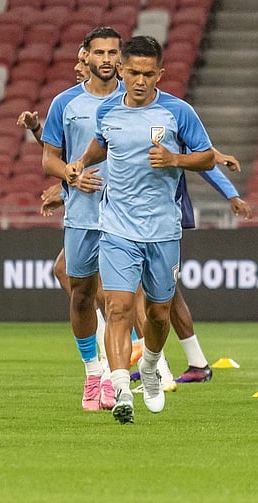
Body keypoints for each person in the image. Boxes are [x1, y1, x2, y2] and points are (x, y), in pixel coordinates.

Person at [66, 35, 217, 424]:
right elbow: (102, 144)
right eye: (133, 72)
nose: (140, 81)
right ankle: (120, 392)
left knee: (159, 314)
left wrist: (175, 158)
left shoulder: (177, 112)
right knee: (117, 308)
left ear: (160, 74)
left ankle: (149, 367)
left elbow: (206, 156)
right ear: (121, 70)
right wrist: (81, 162)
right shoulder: (107, 113)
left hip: (163, 231)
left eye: (149, 74)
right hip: (116, 227)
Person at [38, 27, 124, 412]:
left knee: (120, 300)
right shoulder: (64, 104)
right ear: (85, 56)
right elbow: (49, 160)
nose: (106, 59)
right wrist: (70, 175)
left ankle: (116, 377)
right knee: (83, 296)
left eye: (113, 52)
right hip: (82, 216)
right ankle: (93, 372)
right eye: (100, 52)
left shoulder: (135, 101)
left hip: (127, 217)